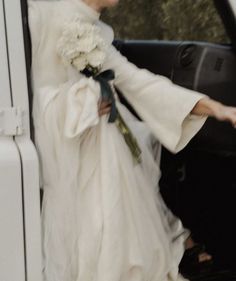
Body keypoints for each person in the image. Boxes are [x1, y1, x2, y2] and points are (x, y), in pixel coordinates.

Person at [28, 0, 236, 280]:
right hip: (76, 159)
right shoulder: (45, 18)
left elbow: (140, 82)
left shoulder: (94, 31)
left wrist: (216, 108)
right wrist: (83, 104)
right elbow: (37, 100)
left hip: (110, 153)